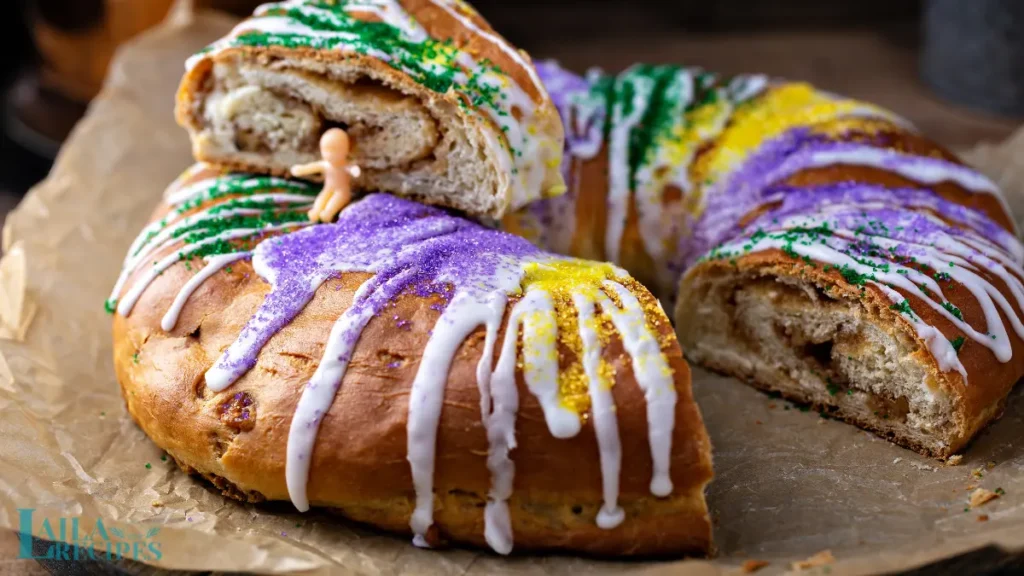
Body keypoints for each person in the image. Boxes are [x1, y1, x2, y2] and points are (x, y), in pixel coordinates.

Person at [291, 128, 362, 222]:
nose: (329, 155)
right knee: (322, 198)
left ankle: (328, 213)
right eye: (325, 150)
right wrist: (301, 170)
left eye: (335, 151)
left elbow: (351, 168)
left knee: (336, 201)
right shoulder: (325, 164)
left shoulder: (344, 165)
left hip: (342, 191)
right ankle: (316, 211)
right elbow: (311, 167)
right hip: (328, 188)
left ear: (346, 149)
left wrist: (355, 170)